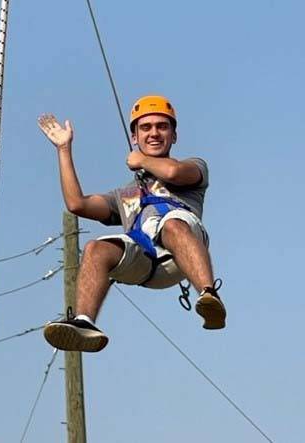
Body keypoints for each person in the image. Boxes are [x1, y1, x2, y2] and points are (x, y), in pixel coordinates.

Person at [38, 95, 227, 353]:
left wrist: (142, 161)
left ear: (174, 135)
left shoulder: (194, 167)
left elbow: (172, 173)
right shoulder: (126, 195)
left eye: (162, 126)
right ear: (135, 137)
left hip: (181, 251)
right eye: (146, 127)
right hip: (146, 264)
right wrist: (63, 150)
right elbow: (77, 204)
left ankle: (208, 295)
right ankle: (84, 322)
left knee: (172, 224)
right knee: (96, 248)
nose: (154, 133)